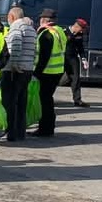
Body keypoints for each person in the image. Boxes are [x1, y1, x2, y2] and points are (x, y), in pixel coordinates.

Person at [0, 6, 36, 142]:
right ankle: (20, 132)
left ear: (12, 17)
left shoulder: (15, 27)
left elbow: (15, 44)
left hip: (14, 70)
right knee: (21, 101)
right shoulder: (31, 29)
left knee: (9, 101)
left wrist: (14, 63)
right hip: (27, 69)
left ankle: (11, 132)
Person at [32, 8, 67, 136]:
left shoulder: (46, 33)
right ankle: (49, 127)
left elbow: (44, 57)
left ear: (44, 20)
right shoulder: (59, 31)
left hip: (47, 72)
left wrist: (36, 73)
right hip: (57, 71)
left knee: (44, 101)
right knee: (48, 100)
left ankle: (45, 129)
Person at [63, 18, 89, 107]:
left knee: (76, 79)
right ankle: (48, 98)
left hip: (73, 58)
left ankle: (77, 100)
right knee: (55, 79)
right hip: (62, 58)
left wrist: (83, 59)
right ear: (76, 26)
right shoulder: (64, 32)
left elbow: (80, 47)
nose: (82, 31)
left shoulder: (79, 34)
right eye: (81, 29)